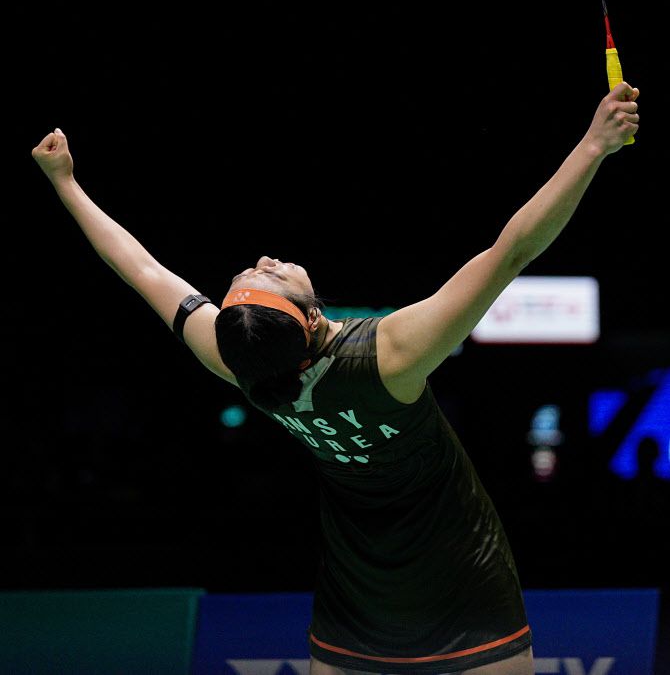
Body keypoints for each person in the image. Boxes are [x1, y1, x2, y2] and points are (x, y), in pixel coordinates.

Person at [31, 82, 640, 675]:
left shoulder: (242, 367)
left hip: (355, 589)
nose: (266, 259)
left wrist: (65, 184)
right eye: (269, 275)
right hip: (465, 581)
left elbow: (141, 270)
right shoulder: (389, 355)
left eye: (253, 273)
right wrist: (594, 145)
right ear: (314, 318)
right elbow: (513, 250)